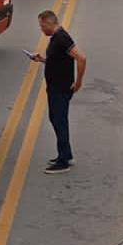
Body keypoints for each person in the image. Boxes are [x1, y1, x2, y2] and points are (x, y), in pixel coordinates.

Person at [30, 9, 85, 174]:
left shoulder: (62, 38)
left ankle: (63, 162)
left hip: (61, 89)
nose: (41, 29)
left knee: (59, 121)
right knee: (55, 119)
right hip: (54, 87)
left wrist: (78, 82)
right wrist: (42, 60)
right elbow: (58, 60)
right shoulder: (56, 38)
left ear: (48, 23)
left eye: (42, 26)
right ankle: (66, 154)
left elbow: (81, 58)